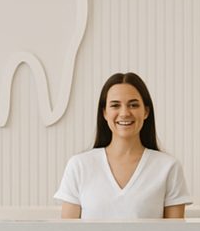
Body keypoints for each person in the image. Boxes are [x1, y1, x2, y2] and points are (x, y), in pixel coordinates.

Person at [55, 72, 191, 219]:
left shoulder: (168, 167)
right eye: (115, 105)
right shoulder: (79, 166)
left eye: (133, 105)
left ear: (146, 111)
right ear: (105, 113)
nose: (125, 113)